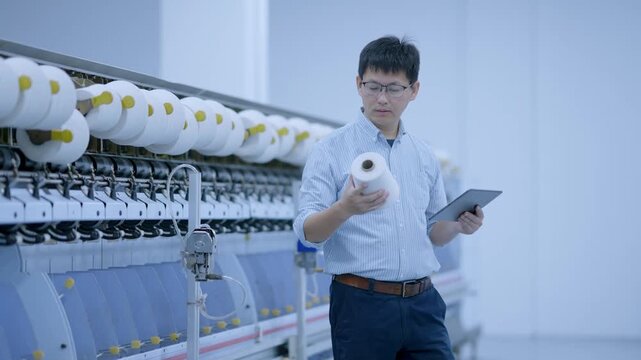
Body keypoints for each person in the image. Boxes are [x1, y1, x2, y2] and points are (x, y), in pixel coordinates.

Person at [293, 35, 485, 359]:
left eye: (394, 88)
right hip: (361, 306)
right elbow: (307, 232)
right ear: (358, 84)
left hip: (423, 304)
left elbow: (435, 232)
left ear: (414, 90)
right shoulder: (330, 150)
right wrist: (344, 208)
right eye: (373, 86)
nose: (382, 98)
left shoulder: (423, 155)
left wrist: (460, 224)